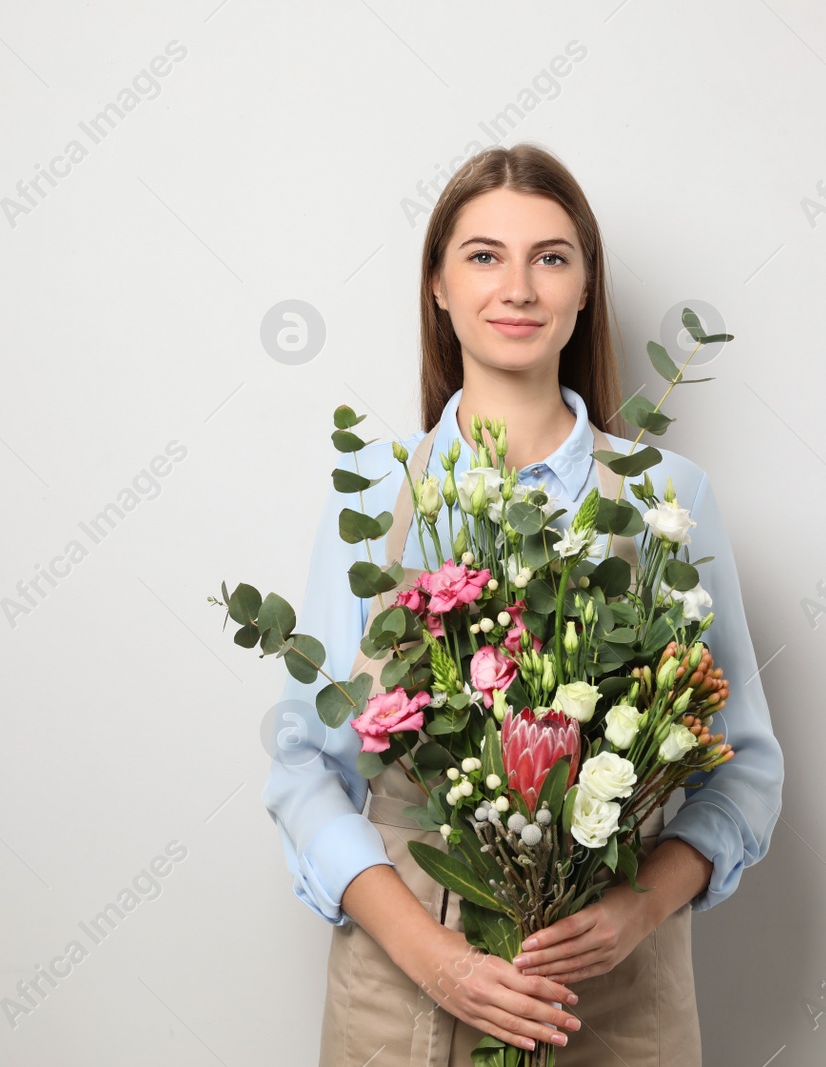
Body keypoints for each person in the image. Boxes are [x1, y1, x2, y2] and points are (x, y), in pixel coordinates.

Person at [262, 143, 785, 1066]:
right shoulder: (370, 503)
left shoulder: (667, 500)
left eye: (550, 257)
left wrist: (637, 909)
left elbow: (739, 765)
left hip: (612, 995)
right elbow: (307, 765)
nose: (518, 287)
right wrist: (435, 959)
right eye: (482, 255)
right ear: (438, 285)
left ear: (585, 288)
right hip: (401, 989)